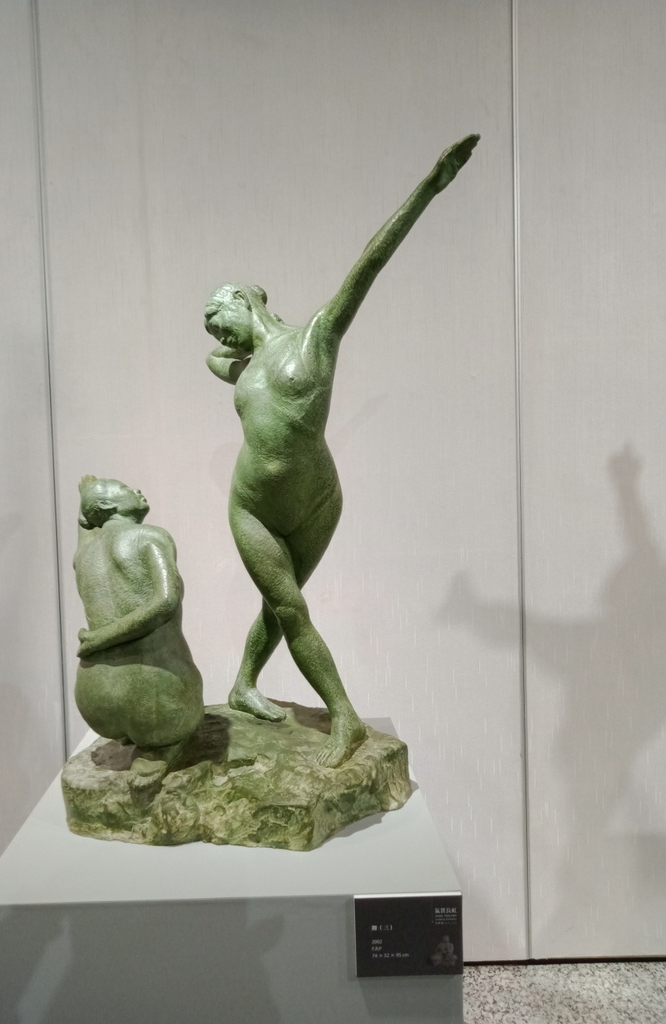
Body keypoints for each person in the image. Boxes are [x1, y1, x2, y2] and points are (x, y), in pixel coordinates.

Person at [205, 134, 479, 767]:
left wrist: (430, 187)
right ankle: (345, 717)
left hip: (317, 501)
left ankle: (244, 685)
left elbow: (369, 264)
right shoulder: (240, 367)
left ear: (245, 299)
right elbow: (215, 360)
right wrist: (232, 346)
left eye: (216, 313)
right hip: (251, 508)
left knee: (282, 604)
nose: (213, 330)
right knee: (289, 605)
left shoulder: (316, 338)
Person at [73, 476, 203, 751]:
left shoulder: (82, 554)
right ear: (106, 505)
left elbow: (85, 524)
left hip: (93, 698)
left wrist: (84, 497)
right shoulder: (149, 536)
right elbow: (165, 602)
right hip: (157, 695)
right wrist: (100, 638)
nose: (136, 490)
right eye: (124, 488)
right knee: (179, 721)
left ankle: (139, 745)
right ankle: (159, 755)